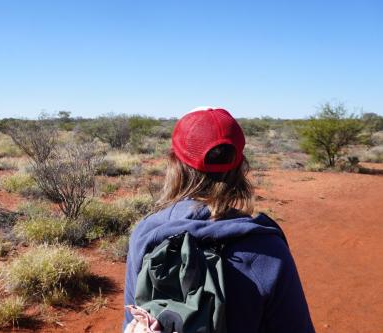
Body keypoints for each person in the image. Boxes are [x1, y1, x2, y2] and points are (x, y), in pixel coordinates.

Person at [123, 107, 315, 333]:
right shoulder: (267, 249)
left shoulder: (148, 233)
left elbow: (133, 319)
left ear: (175, 163)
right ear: (241, 165)